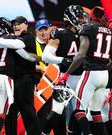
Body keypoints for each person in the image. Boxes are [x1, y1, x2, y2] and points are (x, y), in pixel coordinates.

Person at [57, 5, 112, 135]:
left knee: (79, 109)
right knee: (96, 111)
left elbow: (80, 55)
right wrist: (103, 68)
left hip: (91, 73)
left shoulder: (88, 29)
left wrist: (66, 74)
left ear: (91, 16)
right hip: (104, 76)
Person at [41, 5, 86, 135]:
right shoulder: (60, 34)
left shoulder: (85, 33)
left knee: (80, 111)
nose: (81, 20)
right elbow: (45, 56)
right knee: (57, 111)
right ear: (71, 18)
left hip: (81, 78)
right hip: (65, 78)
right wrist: (62, 60)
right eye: (78, 17)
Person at [3, 16, 40, 135]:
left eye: (19, 23)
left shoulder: (28, 38)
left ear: (26, 25)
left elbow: (16, 45)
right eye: (14, 24)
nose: (16, 26)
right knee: (11, 112)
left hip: (25, 80)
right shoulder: (13, 40)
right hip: (13, 80)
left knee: (27, 111)